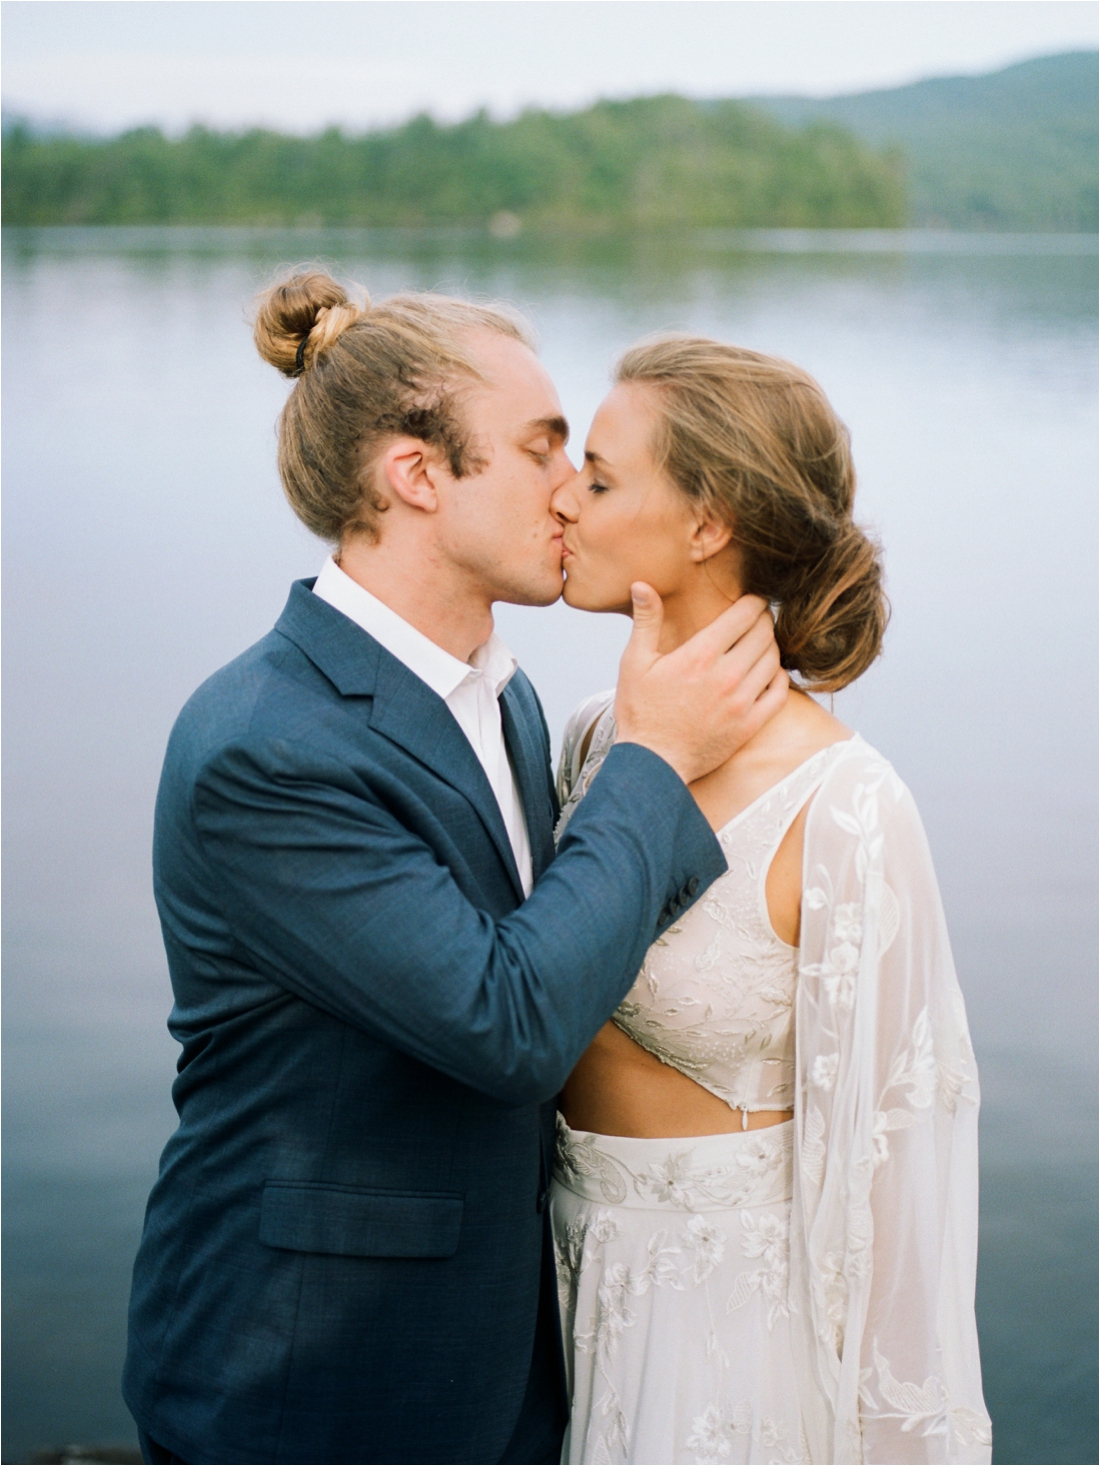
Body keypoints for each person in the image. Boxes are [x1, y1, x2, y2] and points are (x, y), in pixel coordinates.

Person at [122, 273, 789, 1466]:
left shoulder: (512, 695)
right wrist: (653, 756)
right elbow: (507, 1020)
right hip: (309, 1377)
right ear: (416, 475)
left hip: (506, 1355)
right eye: (539, 450)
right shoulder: (263, 746)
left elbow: (570, 936)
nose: (574, 488)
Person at [549, 336, 992, 1465]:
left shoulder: (845, 806)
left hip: (721, 1344)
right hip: (549, 1297)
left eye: (598, 477)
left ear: (706, 523)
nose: (562, 497)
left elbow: (896, 1174)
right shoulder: (589, 737)